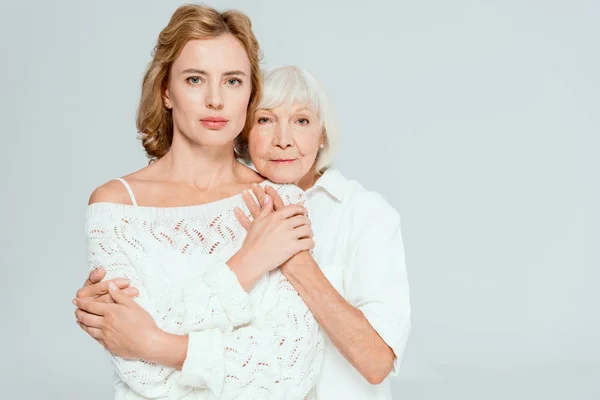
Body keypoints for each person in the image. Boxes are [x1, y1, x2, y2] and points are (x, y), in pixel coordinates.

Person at [79, 63, 411, 399]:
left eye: (302, 121)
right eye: (265, 120)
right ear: (245, 131)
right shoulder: (231, 207)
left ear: (321, 133)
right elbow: (175, 311)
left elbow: (374, 363)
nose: (283, 141)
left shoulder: (365, 213)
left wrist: (293, 260)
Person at [73, 5, 324, 400]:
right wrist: (247, 264)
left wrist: (154, 341)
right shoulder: (115, 208)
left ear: (250, 94)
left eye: (233, 81)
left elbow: (289, 370)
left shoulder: (280, 201)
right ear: (166, 91)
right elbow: (141, 373)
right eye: (195, 79)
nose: (215, 100)